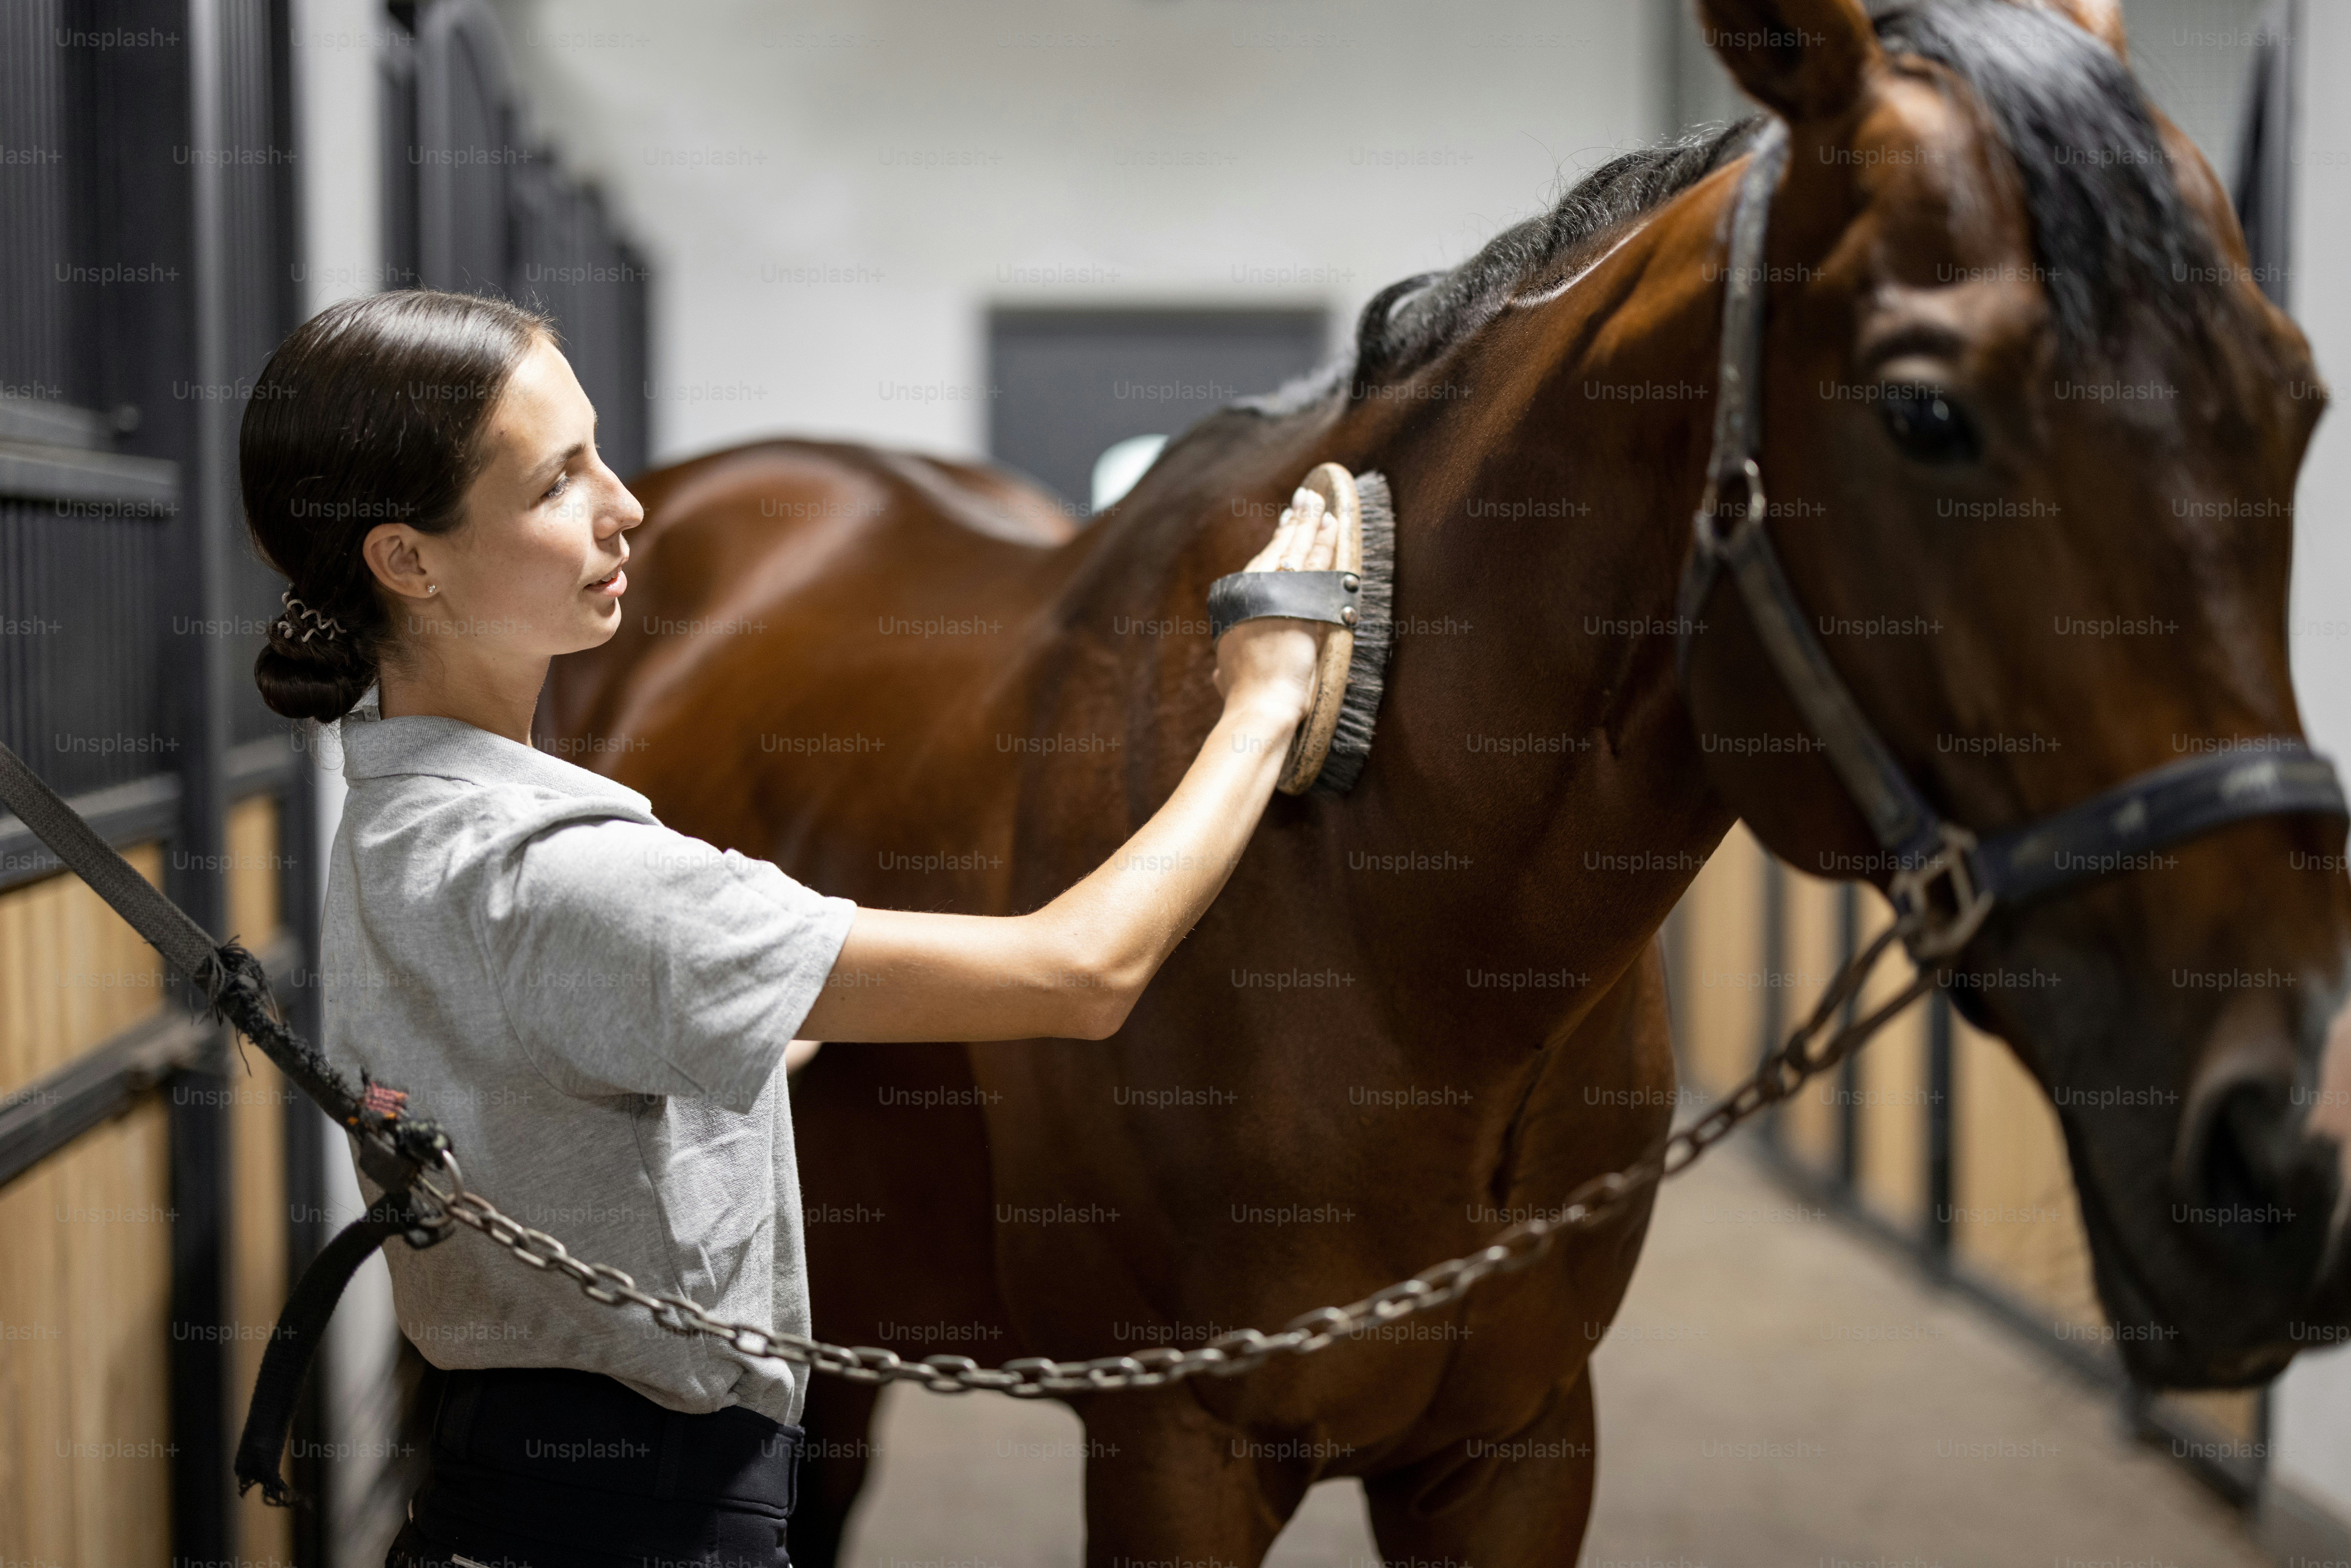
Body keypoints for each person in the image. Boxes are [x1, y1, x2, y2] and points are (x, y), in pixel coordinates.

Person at [239, 288, 1342, 1568]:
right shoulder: (579, 876)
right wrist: (1261, 699)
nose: (625, 505)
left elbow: (560, 1046)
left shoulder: (401, 812)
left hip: (520, 1480)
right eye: (556, 484)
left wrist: (772, 1016)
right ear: (407, 561)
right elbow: (1084, 968)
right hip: (651, 1513)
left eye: (598, 450)